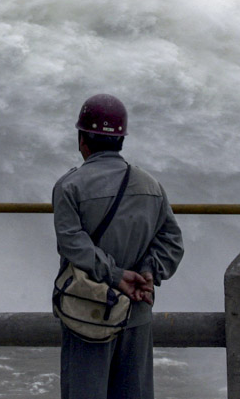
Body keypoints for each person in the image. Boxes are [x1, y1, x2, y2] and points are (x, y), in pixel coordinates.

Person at [53, 93, 184, 399]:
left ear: (82, 139)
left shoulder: (69, 187)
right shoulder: (151, 185)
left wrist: (115, 275)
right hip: (137, 310)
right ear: (121, 140)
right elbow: (172, 242)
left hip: (88, 313)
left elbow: (73, 244)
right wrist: (148, 274)